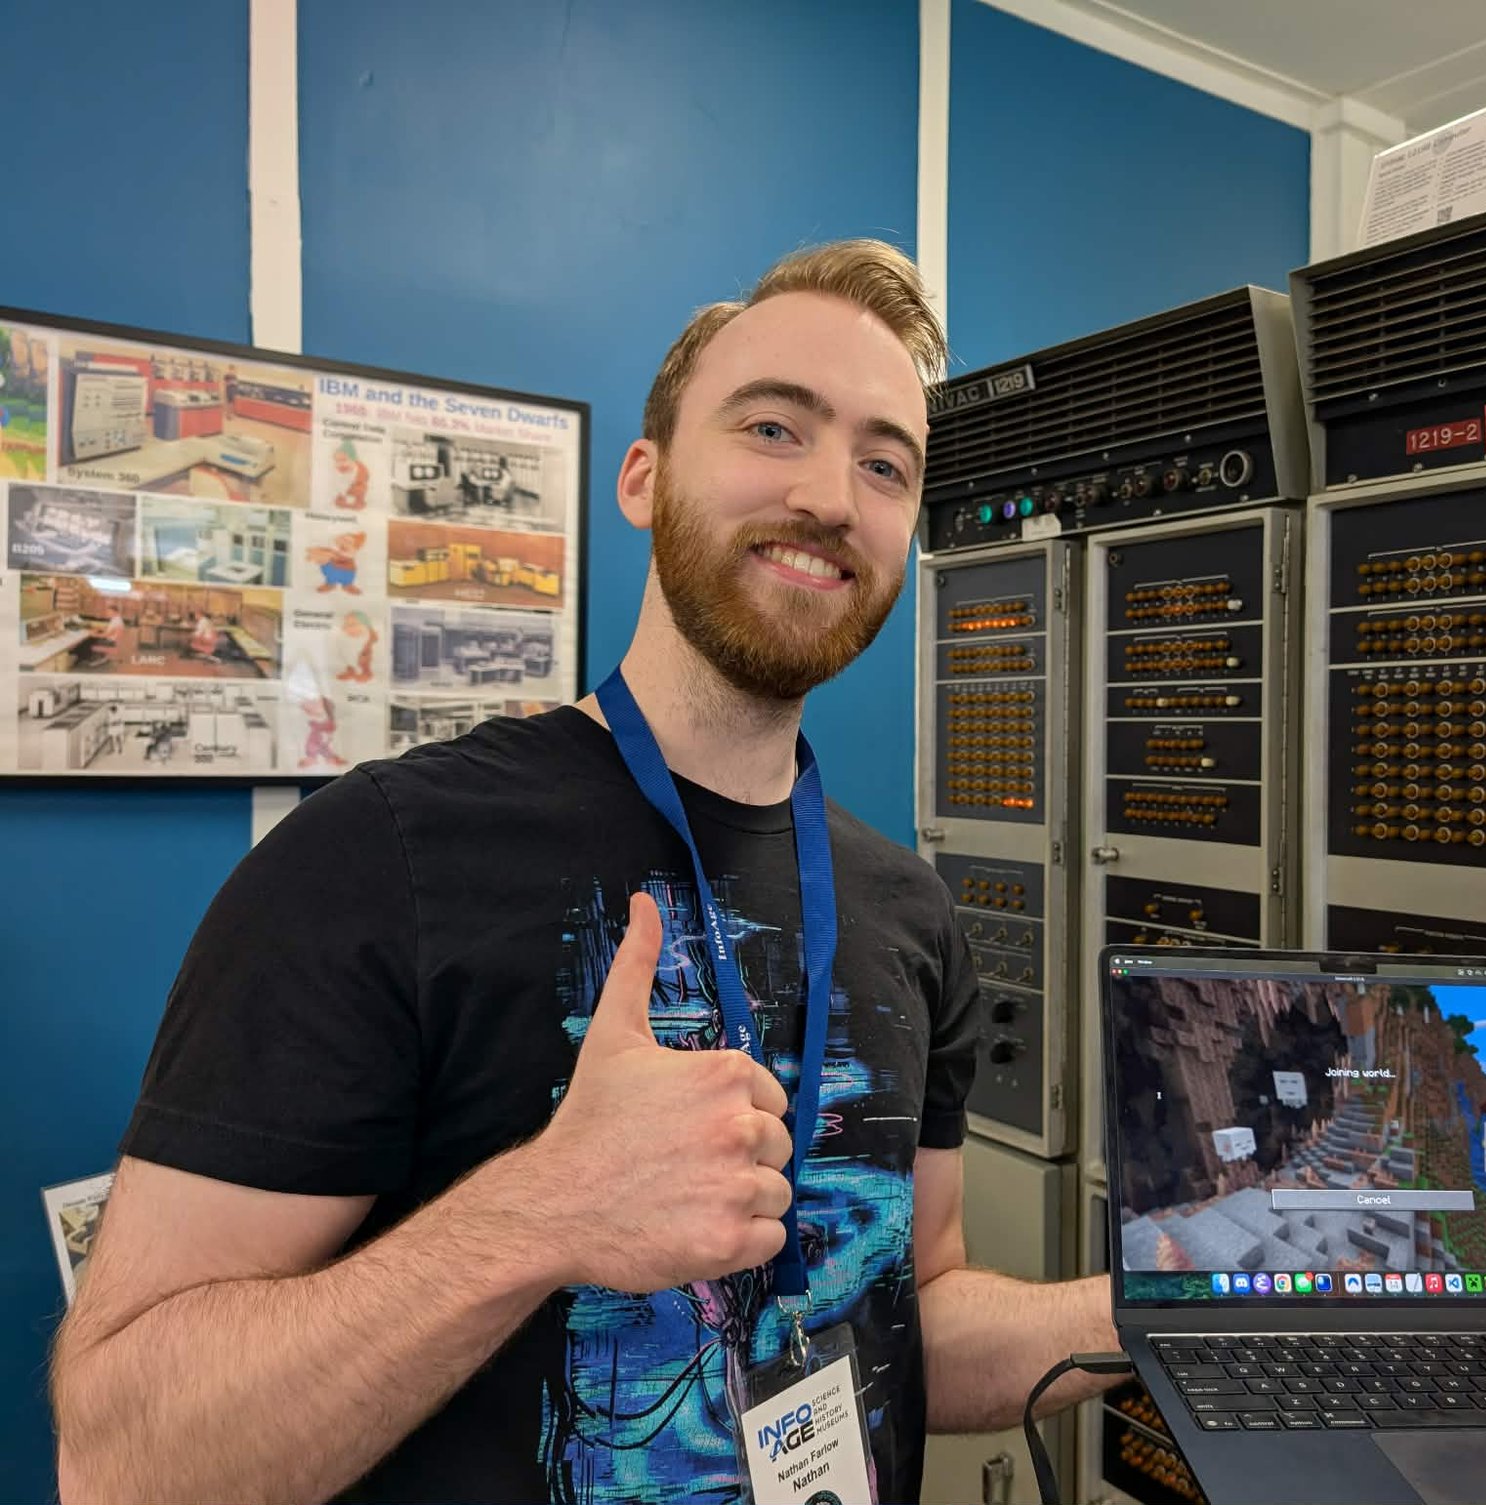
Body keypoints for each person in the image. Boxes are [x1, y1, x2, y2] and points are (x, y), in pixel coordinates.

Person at [50, 240, 1119, 1505]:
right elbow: (121, 1457)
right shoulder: (381, 854)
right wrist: (541, 1211)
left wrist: (1165, 1304)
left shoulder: (909, 913)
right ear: (643, 477)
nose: (831, 495)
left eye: (884, 463)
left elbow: (912, 1307)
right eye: (772, 426)